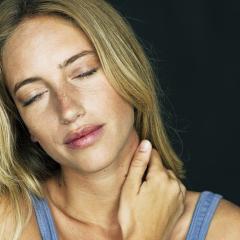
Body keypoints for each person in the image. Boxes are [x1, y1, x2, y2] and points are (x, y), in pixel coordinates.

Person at [0, 0, 239, 239]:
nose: (68, 111)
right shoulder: (8, 224)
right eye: (34, 97)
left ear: (126, 71)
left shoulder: (229, 229)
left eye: (84, 72)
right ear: (24, 124)